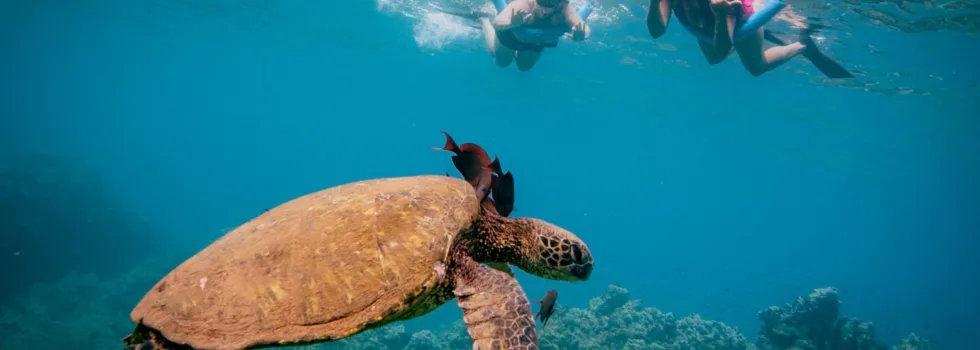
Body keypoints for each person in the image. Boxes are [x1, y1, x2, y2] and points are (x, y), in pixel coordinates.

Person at [645, 0, 852, 78]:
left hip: (740, 22)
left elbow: (722, 47)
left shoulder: (727, 3)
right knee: (714, 59)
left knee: (756, 67)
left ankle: (802, 46)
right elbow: (656, 31)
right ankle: (761, 36)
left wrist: (721, 16)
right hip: (702, 25)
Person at [478, 0, 591, 71]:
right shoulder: (523, 4)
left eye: (552, 3)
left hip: (534, 42)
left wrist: (582, 35)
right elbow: (497, 22)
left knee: (524, 68)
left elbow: (584, 28)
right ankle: (484, 20)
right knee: (502, 63)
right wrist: (513, 23)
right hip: (510, 36)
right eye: (541, 1)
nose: (545, 8)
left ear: (560, 3)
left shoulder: (565, 10)